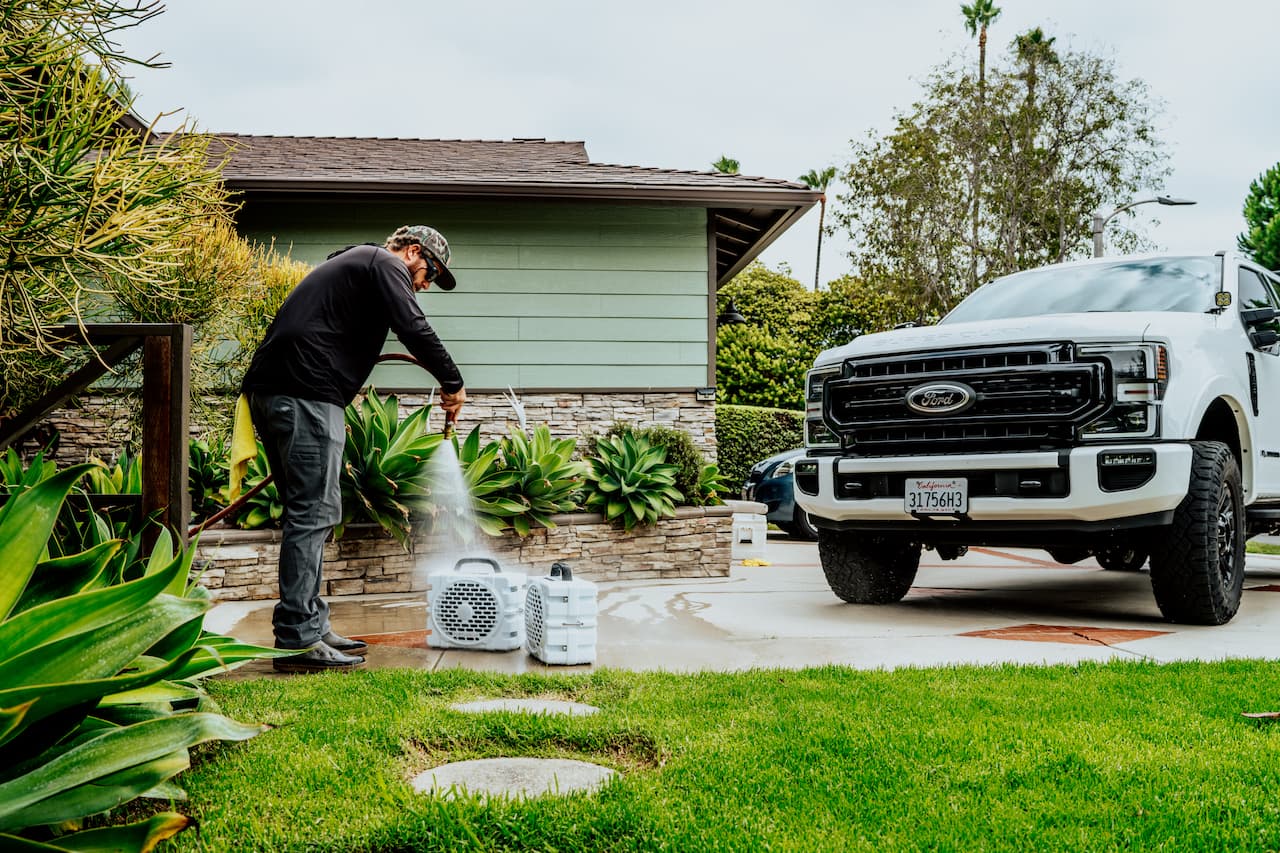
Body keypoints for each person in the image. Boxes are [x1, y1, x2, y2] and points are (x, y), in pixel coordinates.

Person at [241, 225, 466, 672]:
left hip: (284, 391)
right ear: (414, 252)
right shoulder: (383, 263)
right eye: (429, 274)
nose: (424, 284)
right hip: (305, 392)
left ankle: (311, 625)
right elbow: (412, 325)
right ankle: (297, 641)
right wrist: (453, 382)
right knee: (313, 514)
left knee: (311, 513)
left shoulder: (355, 265)